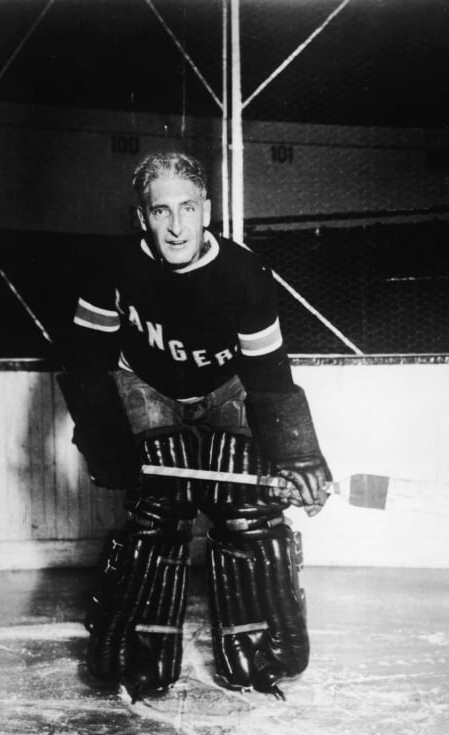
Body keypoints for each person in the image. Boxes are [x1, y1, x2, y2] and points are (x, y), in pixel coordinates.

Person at [57, 150, 330, 701]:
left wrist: (300, 456)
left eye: (187, 208)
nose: (176, 226)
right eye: (161, 212)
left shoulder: (245, 273)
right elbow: (85, 362)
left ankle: (253, 647)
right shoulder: (112, 268)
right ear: (143, 218)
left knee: (250, 510)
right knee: (159, 507)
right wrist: (106, 442)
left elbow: (270, 376)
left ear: (207, 209)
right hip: (147, 385)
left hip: (228, 386)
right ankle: (143, 647)